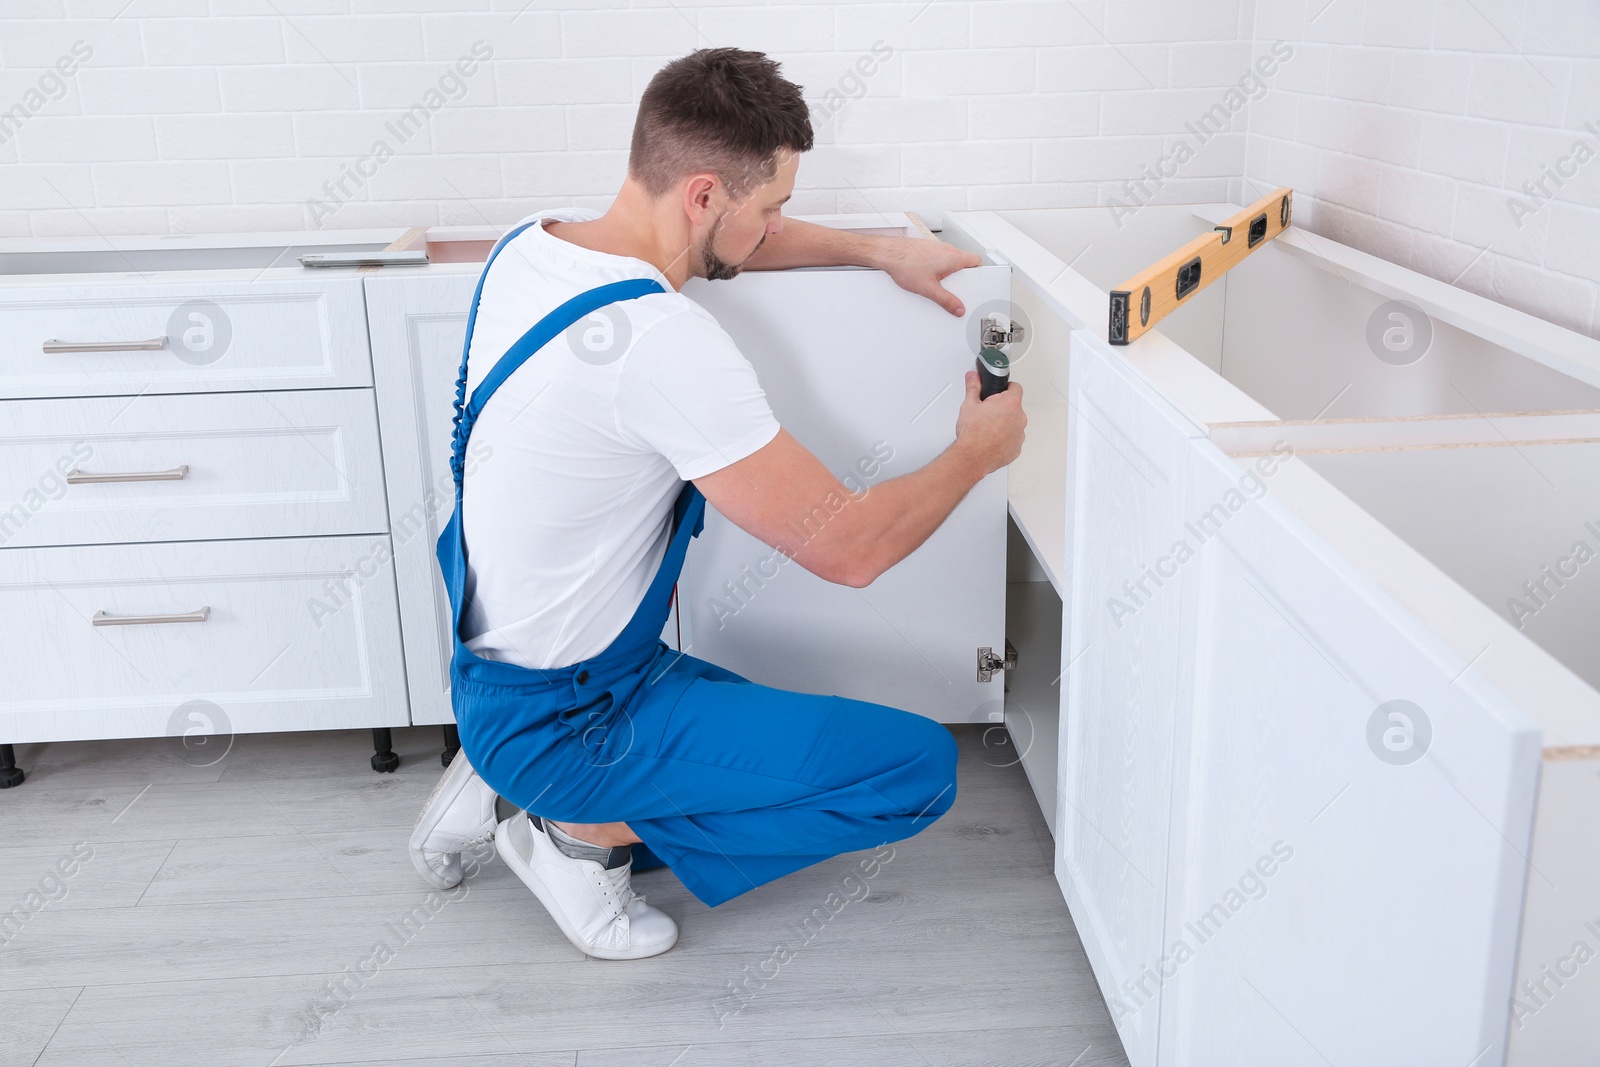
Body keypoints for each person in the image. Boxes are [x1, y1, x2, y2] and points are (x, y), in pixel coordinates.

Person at [409, 47, 1026, 960]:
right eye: (771, 204)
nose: (778, 223)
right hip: (575, 719)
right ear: (703, 195)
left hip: (508, 678)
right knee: (912, 772)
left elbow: (735, 248)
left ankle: (501, 775)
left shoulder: (531, 245)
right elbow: (850, 549)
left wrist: (877, 251)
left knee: (774, 753)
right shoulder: (664, 347)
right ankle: (567, 827)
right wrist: (975, 453)